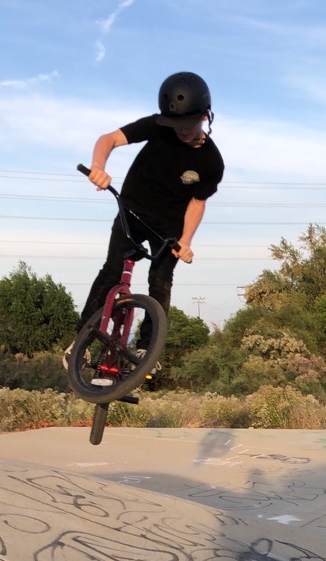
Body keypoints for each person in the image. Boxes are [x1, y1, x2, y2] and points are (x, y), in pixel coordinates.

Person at [66, 71, 225, 381]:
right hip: (132, 211)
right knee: (111, 272)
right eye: (176, 123)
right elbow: (109, 139)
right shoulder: (157, 127)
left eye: (188, 123)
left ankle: (145, 349)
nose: (182, 130)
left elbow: (197, 203)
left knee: (160, 280)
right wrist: (98, 166)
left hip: (168, 227)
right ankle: (80, 342)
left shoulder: (211, 162)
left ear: (205, 116)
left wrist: (186, 241)